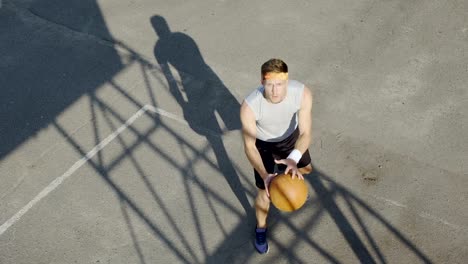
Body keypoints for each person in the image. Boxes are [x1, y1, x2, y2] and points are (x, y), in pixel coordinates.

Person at [240, 58, 313, 254]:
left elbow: (305, 133)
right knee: (264, 193)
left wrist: (293, 158)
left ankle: (287, 172)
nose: (275, 91)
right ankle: (261, 229)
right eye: (270, 84)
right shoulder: (250, 106)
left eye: (279, 84)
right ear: (262, 82)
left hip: (290, 140)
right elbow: (249, 146)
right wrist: (265, 176)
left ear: (287, 82)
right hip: (263, 146)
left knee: (306, 169)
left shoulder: (302, 93)